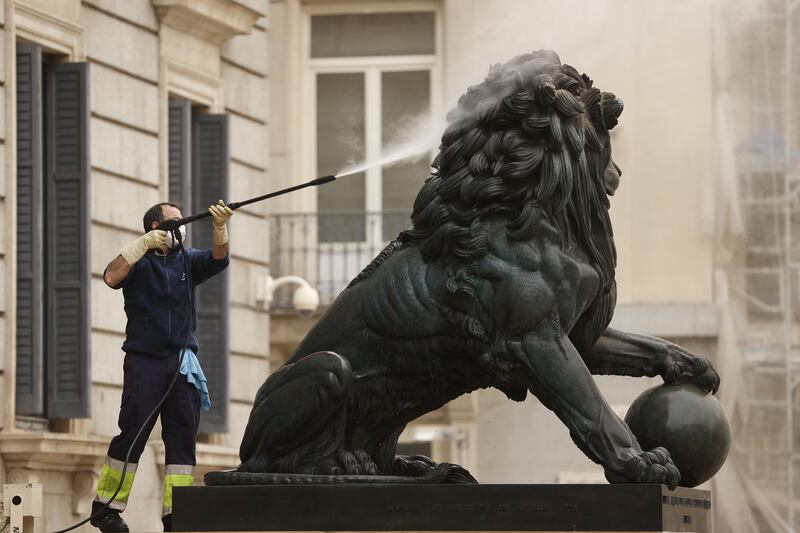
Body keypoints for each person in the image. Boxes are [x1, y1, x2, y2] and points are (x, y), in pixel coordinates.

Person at [90, 200, 233, 532]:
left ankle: (175, 514)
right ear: (156, 228)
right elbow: (111, 276)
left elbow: (218, 258)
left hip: (183, 364)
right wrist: (139, 246)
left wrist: (220, 228)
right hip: (145, 362)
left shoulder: (187, 259)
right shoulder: (138, 263)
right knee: (133, 434)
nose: (181, 226)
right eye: (175, 221)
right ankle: (105, 508)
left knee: (183, 441)